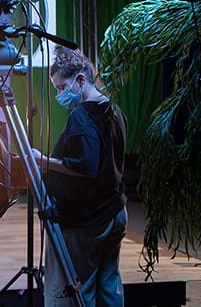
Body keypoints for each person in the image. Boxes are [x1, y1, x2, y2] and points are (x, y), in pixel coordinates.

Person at [30, 46, 128, 307]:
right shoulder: (114, 111)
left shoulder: (82, 116)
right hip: (114, 213)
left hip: (87, 222)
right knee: (109, 289)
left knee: (72, 292)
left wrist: (42, 160)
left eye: (62, 88)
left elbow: (86, 166)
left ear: (81, 79)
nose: (60, 95)